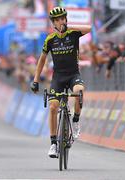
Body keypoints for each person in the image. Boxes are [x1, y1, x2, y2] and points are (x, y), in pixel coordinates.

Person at [30, 7, 91, 158]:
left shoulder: (73, 33)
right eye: (56, 20)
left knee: (78, 92)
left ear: (65, 19)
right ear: (53, 23)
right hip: (58, 77)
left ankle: (75, 121)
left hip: (73, 75)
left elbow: (89, 28)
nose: (59, 21)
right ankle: (53, 144)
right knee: (52, 107)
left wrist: (69, 27)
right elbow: (42, 60)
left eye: (62, 18)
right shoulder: (50, 39)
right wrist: (36, 80)